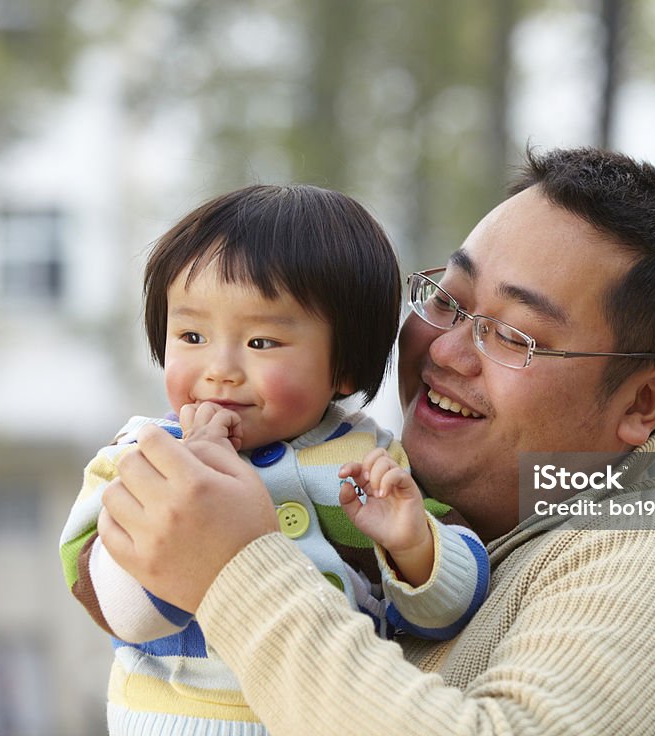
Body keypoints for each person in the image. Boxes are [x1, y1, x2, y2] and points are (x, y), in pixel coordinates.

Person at [98, 148, 655, 734]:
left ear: (643, 402)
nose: (446, 351)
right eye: (447, 301)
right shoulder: (374, 508)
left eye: (514, 335)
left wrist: (235, 568)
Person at [59, 184, 489, 735]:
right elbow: (123, 615)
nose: (219, 369)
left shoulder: (368, 466)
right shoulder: (139, 460)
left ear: (345, 369)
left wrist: (413, 546)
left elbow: (449, 617)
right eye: (191, 334)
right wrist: (191, 491)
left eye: (261, 343)